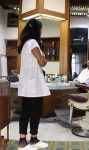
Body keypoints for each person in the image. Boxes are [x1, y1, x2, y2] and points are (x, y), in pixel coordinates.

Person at [17, 19, 50, 150]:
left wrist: (42, 58)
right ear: (37, 29)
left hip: (28, 84)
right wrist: (44, 58)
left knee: (26, 111)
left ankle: (27, 140)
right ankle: (28, 141)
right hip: (33, 85)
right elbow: (42, 62)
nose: (41, 31)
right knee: (34, 112)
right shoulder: (33, 42)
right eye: (40, 28)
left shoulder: (25, 43)